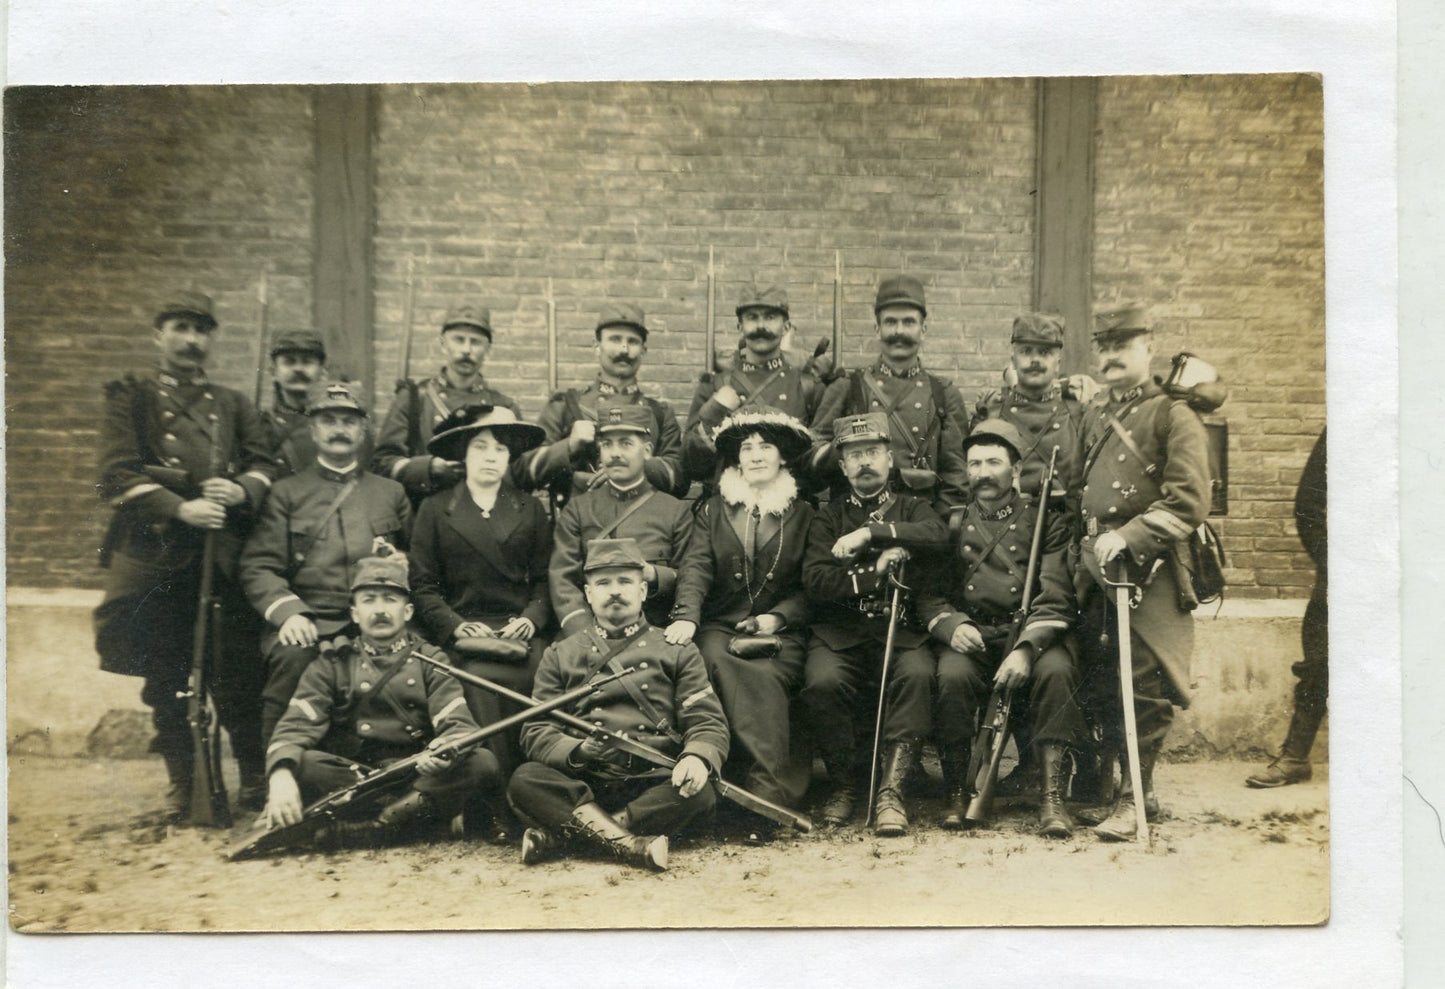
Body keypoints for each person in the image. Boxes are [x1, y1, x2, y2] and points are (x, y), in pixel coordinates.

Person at [93, 290, 278, 819]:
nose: (191, 340)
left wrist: (240, 489)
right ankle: (184, 785)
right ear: (159, 335)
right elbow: (115, 474)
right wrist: (181, 507)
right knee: (167, 681)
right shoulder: (133, 398)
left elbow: (266, 465)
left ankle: (254, 784)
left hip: (220, 560)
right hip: (158, 560)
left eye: (201, 331)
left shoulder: (233, 403)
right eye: (180, 328)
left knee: (238, 674)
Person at [507, 538, 730, 872]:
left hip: (650, 779)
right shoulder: (560, 653)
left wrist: (697, 757)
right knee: (526, 778)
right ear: (588, 594)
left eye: (625, 581)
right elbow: (536, 729)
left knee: (699, 792)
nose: (614, 591)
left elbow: (706, 720)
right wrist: (579, 751)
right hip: (586, 782)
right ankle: (631, 846)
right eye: (603, 583)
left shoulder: (676, 650)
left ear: (642, 590)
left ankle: (561, 839)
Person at [1073, 303, 1211, 841]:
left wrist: (1129, 537)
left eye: (1123, 345)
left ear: (1147, 349)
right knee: (1104, 679)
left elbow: (1189, 502)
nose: (1111, 355)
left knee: (1145, 685)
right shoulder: (1091, 415)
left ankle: (1135, 797)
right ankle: (1131, 793)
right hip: (1095, 564)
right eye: (1103, 346)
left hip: (1148, 567)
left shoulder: (1172, 415)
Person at [261, 548, 503, 848]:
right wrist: (280, 775)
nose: (380, 610)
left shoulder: (432, 660)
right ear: (354, 613)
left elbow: (457, 721)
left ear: (408, 611)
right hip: (357, 779)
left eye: (390, 599)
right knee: (302, 763)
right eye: (369, 600)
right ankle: (415, 821)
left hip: (417, 771)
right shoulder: (333, 661)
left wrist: (444, 750)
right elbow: (295, 724)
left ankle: (369, 828)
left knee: (482, 762)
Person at [915, 420, 1087, 836]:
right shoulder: (952, 522)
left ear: (1014, 468)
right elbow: (929, 593)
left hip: (1031, 634)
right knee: (951, 675)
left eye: (994, 461)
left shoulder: (1046, 520)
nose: (983, 472)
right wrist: (951, 625)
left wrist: (1027, 649)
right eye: (974, 463)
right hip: (974, 636)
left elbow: (1057, 594)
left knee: (1058, 672)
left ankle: (1051, 798)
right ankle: (958, 790)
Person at [665, 408, 817, 842]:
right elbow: (694, 567)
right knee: (714, 661)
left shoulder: (803, 513)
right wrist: (688, 619)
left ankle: (766, 800)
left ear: (783, 457)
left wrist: (778, 616)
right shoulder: (713, 509)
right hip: (720, 627)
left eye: (765, 446)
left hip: (782, 632)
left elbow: (813, 586)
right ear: (734, 460)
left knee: (764, 677)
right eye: (745, 448)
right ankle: (720, 794)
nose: (755, 455)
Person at [800, 412, 949, 835]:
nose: (864, 462)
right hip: (840, 632)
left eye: (872, 453)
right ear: (843, 466)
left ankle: (891, 791)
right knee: (822, 681)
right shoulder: (826, 517)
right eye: (854, 455)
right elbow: (816, 581)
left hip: (899, 630)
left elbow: (937, 535)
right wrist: (876, 571)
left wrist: (873, 535)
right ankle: (847, 786)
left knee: (918, 674)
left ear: (889, 458)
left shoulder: (914, 507)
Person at [239, 382, 411, 745]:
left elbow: (416, 561)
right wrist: (290, 614)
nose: (338, 429)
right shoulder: (286, 493)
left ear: (363, 431)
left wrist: (401, 564)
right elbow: (259, 566)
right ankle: (276, 773)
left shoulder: (389, 492)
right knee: (292, 659)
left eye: (348, 422)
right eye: (328, 420)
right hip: (312, 618)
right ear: (313, 430)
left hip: (375, 617)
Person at [408, 403, 552, 782]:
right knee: (473, 678)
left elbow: (544, 579)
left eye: (500, 449)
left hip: (517, 631)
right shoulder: (436, 509)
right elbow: (422, 586)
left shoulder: (530, 508)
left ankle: (534, 789)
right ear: (463, 455)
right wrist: (454, 627)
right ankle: (491, 797)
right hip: (466, 633)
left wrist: (530, 619)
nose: (491, 457)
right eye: (480, 447)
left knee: (541, 673)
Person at [808, 275, 970, 513]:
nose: (899, 332)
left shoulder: (943, 393)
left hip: (921, 517)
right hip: (855, 516)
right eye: (891, 322)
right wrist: (845, 444)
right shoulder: (848, 386)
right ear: (877, 328)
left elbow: (956, 472)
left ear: (923, 329)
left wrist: (940, 525)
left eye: (909, 322)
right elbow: (814, 452)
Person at [514, 303, 687, 508]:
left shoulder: (660, 413)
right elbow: (523, 473)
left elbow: (679, 479)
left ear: (643, 351)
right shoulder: (566, 406)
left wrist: (635, 464)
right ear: (596, 346)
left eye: (632, 342)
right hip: (577, 528)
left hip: (643, 528)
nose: (624, 349)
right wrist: (569, 446)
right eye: (615, 339)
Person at [548, 405, 692, 639]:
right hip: (587, 633)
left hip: (655, 634)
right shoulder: (578, 509)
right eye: (607, 445)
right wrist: (583, 632)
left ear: (646, 451)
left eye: (625, 444)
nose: (615, 453)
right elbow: (562, 579)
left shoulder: (675, 511)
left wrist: (653, 575)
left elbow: (689, 578)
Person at [373, 304, 521, 506]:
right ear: (443, 344)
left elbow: (518, 471)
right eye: (459, 340)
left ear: (488, 350)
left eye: (476, 342)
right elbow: (383, 463)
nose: (466, 350)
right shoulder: (415, 399)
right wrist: (428, 467)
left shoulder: (503, 407)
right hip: (423, 512)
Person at [681, 281, 827, 485]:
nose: (761, 326)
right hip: (727, 510)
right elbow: (689, 464)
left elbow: (819, 468)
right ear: (740, 326)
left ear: (786, 327)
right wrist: (715, 412)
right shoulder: (716, 384)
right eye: (752, 318)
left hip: (792, 510)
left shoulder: (806, 385)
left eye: (770, 317)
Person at [1247, 428, 1327, 787]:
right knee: (1320, 661)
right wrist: (1333, 559)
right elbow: (1308, 504)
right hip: (1353, 566)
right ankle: (1295, 756)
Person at [970, 312, 1092, 513]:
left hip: (1065, 528)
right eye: (1026, 351)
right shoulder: (992, 412)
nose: (1034, 360)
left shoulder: (1078, 411)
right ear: (1013, 360)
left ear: (1058, 363)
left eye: (1044, 352)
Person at [260, 330, 327, 478]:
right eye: (289, 361)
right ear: (274, 372)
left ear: (322, 373)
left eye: (307, 361)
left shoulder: (334, 422)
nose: (298, 369)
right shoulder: (258, 424)